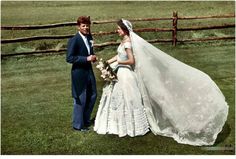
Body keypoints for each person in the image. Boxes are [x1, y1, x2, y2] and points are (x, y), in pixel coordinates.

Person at [94, 19, 228, 146]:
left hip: (126, 73)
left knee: (128, 98)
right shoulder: (123, 41)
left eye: (118, 29)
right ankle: (118, 122)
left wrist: (118, 63)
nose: (117, 31)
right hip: (121, 71)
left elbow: (131, 60)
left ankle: (131, 125)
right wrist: (108, 62)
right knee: (119, 97)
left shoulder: (128, 43)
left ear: (124, 30)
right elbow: (119, 55)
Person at [66, 16, 97, 131]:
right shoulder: (74, 40)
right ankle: (78, 125)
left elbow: (89, 51)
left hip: (89, 71)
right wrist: (86, 59)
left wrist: (92, 57)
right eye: (83, 26)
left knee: (93, 95)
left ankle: (86, 119)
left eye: (87, 25)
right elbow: (69, 58)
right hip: (79, 73)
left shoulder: (89, 37)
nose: (86, 27)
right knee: (81, 99)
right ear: (78, 27)